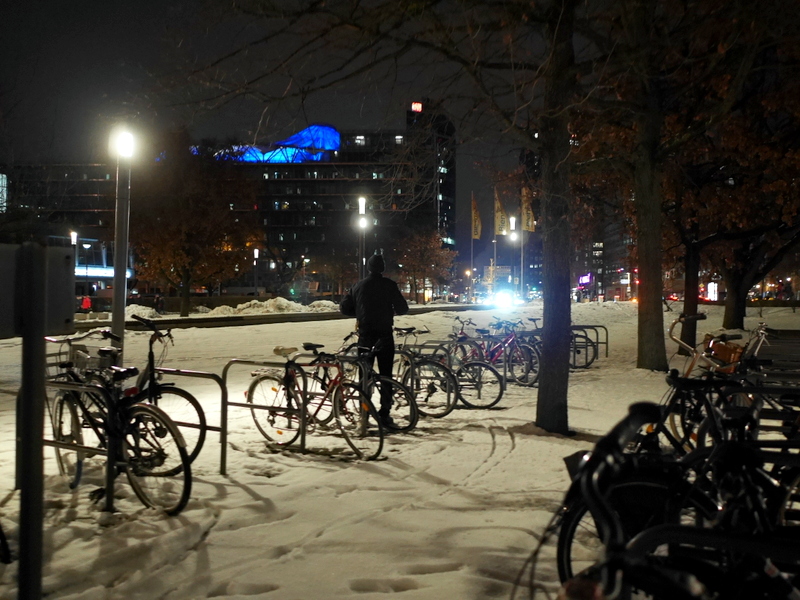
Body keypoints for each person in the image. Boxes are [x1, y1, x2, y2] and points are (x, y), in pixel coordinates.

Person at [340, 249, 409, 427]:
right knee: (386, 374)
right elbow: (403, 308)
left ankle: (364, 411)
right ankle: (384, 413)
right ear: (383, 268)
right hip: (384, 335)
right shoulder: (389, 285)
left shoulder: (358, 286)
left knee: (365, 375)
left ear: (368, 268)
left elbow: (344, 308)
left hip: (365, 336)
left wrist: (361, 313)